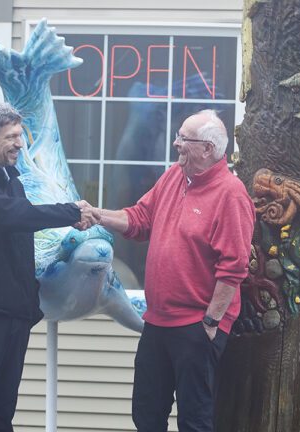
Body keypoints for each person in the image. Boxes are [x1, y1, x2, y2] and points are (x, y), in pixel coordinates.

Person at [95, 110, 256, 432]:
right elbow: (140, 219)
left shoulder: (231, 194)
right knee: (146, 414)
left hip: (197, 325)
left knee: (194, 420)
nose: (176, 143)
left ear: (208, 149)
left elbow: (234, 267)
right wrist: (97, 216)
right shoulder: (174, 176)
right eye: (178, 135)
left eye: (184, 138)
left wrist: (211, 322)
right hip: (157, 321)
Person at [0, 101, 99, 431]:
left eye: (20, 135)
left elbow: (20, 234)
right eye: (11, 136)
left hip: (13, 313)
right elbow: (10, 216)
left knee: (1, 414)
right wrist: (71, 212)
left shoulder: (11, 180)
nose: (19, 143)